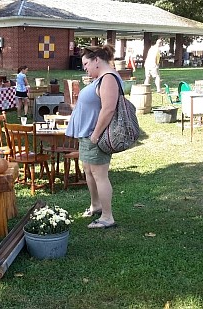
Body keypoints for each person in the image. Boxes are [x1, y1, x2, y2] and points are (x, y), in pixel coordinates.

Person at [65, 44, 120, 229]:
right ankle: (96, 205)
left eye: (86, 63)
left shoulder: (109, 78)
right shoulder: (100, 78)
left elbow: (109, 108)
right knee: (89, 171)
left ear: (97, 60)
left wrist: (96, 135)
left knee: (100, 175)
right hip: (87, 135)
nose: (85, 68)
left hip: (95, 136)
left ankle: (107, 216)